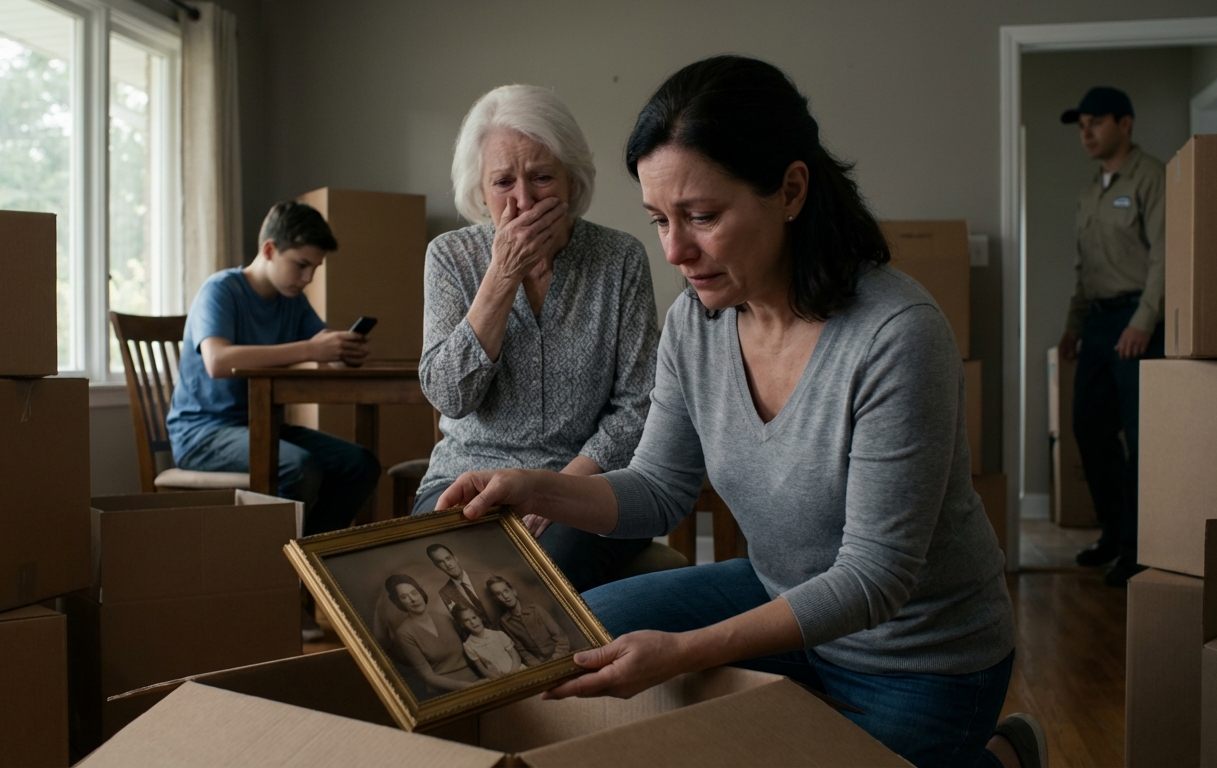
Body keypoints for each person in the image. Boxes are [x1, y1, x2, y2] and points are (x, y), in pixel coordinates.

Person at [439, 56, 1048, 768]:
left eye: (701, 217)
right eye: (660, 220)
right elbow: (660, 490)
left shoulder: (897, 334)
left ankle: (1001, 757)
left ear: (790, 190)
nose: (674, 250)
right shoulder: (698, 322)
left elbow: (876, 578)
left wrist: (683, 653)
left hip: (916, 655)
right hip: (780, 589)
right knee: (573, 634)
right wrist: (531, 486)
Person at [414, 84, 661, 592]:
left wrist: (555, 490)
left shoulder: (620, 259)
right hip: (467, 474)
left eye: (542, 177)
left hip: (586, 484)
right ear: (480, 192)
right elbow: (448, 397)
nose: (523, 200)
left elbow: (639, 406)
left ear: (571, 180)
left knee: (527, 582)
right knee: (443, 580)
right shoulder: (450, 257)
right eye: (503, 181)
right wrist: (501, 277)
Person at [167, 200, 381, 537]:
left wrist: (341, 351)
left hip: (263, 427)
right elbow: (218, 361)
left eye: (315, 268)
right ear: (269, 250)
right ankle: (276, 564)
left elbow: (320, 343)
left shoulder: (291, 300)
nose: (308, 277)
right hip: (202, 433)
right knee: (299, 468)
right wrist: (313, 349)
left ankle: (311, 555)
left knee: (360, 464)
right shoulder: (220, 290)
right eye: (301, 265)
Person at [1055, 87, 1165, 588]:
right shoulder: (1089, 191)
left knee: (1142, 441)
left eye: (1096, 123)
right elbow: (1084, 269)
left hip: (1138, 319)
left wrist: (1144, 319)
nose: (1086, 134)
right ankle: (1112, 533)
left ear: (1126, 123)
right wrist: (1074, 325)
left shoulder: (1151, 177)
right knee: (1088, 429)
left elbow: (1166, 255)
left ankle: (1138, 551)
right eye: (1081, 126)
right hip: (1097, 323)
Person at [385, 574, 480, 692]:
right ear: (399, 602)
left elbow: (473, 651)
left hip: (475, 680)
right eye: (404, 597)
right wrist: (466, 687)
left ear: (421, 593)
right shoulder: (404, 633)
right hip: (445, 690)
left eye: (414, 593)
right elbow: (427, 676)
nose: (413, 599)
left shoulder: (445, 619)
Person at [486, 575, 570, 666]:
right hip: (539, 665)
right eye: (499, 594)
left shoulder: (536, 610)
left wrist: (555, 659)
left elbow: (561, 639)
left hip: (560, 657)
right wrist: (538, 666)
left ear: (513, 591)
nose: (505, 596)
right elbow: (521, 650)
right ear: (496, 599)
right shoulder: (505, 622)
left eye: (506, 591)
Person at [427, 543, 502, 630]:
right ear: (437, 566)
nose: (448, 564)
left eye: (448, 558)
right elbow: (461, 623)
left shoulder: (486, 577)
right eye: (441, 562)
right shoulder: (445, 593)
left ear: (455, 558)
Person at [453, 604, 523, 678]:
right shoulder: (468, 645)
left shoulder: (499, 634)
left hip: (517, 671)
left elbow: (515, 656)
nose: (473, 622)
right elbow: (482, 669)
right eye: (466, 620)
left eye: (474, 618)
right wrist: (497, 678)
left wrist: (513, 673)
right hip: (497, 678)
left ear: (480, 618)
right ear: (462, 625)